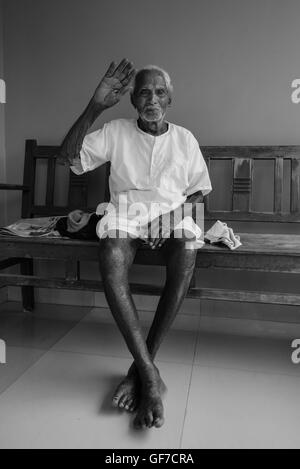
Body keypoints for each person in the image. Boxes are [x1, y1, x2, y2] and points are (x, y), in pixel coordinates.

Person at [57, 59, 212, 430]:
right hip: (125, 215)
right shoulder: (115, 130)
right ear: (132, 100)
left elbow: (200, 195)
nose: (152, 99)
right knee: (110, 250)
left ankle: (138, 369)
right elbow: (67, 158)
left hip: (173, 216)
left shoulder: (184, 139)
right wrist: (94, 106)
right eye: (143, 92)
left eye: (159, 92)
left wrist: (170, 218)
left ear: (170, 98)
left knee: (190, 245)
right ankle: (149, 375)